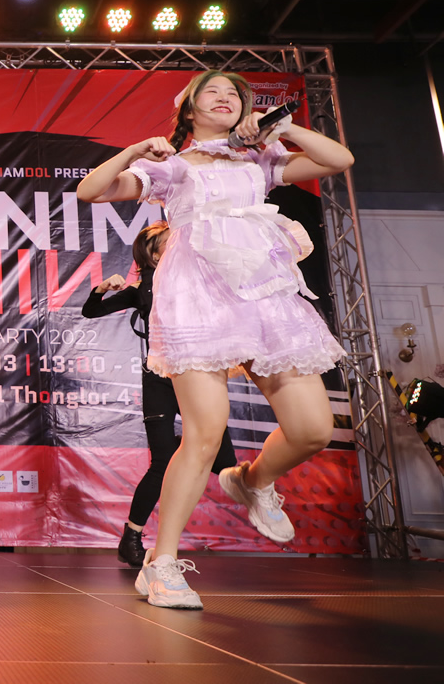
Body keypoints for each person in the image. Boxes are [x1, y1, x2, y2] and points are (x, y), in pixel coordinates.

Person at [77, 70, 352, 609]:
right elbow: (91, 190)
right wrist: (135, 150)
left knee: (313, 429)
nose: (226, 98)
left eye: (235, 94)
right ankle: (160, 564)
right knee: (203, 434)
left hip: (264, 294)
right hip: (197, 296)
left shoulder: (260, 159)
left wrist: (284, 128)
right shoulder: (172, 165)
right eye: (213, 92)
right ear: (189, 108)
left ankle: (252, 480)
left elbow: (339, 160)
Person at [81, 221, 236, 567]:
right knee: (162, 461)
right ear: (153, 255)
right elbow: (91, 311)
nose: (180, 244)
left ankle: (191, 451)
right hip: (159, 379)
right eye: (170, 241)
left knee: (224, 463)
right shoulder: (142, 288)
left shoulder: (198, 280)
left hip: (197, 375)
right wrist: (101, 289)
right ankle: (132, 537)